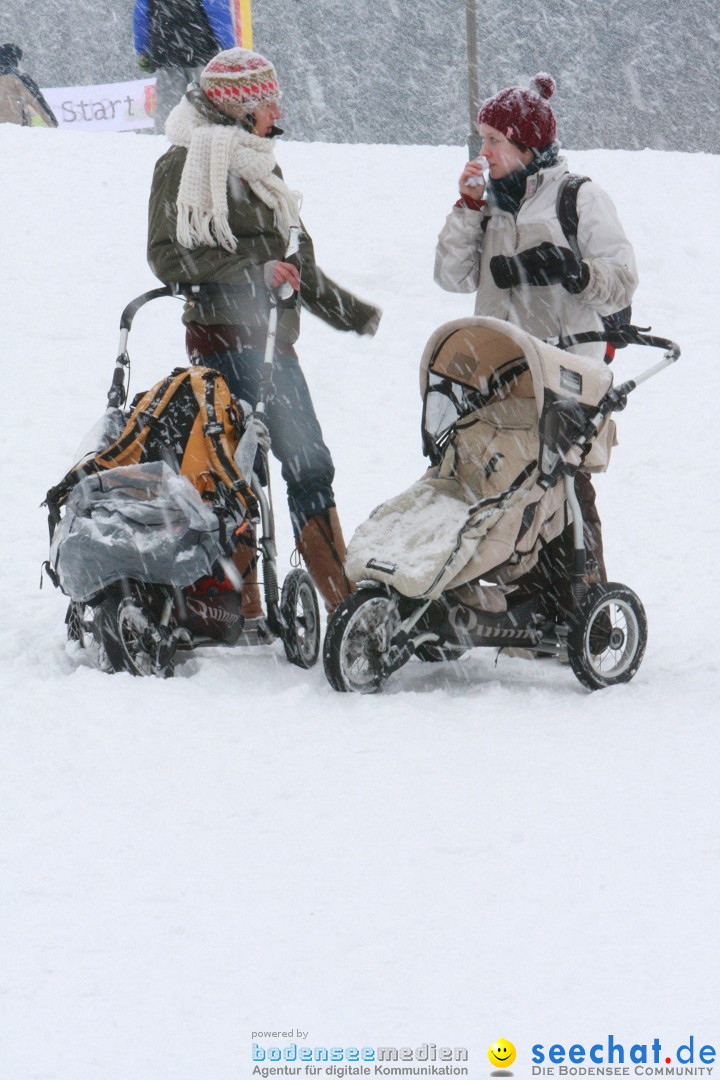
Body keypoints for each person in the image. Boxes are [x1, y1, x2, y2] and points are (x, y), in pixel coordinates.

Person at [146, 47, 382, 620]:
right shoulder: (183, 164)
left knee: (308, 463)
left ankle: (340, 602)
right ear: (242, 107)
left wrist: (356, 315)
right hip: (221, 339)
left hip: (274, 340)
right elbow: (166, 256)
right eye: (269, 99)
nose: (279, 110)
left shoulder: (259, 164)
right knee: (239, 472)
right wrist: (252, 275)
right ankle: (243, 604)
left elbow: (293, 262)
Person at [434, 73, 638, 616]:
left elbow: (622, 275)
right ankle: (530, 595)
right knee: (507, 475)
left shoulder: (578, 197)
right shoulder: (490, 206)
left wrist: (576, 273)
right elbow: (451, 277)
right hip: (502, 364)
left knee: (565, 480)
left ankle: (583, 598)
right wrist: (466, 207)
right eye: (482, 140)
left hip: (567, 365)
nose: (484, 151)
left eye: (494, 141)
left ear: (528, 146)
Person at [133, 0, 237, 133]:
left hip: (167, 52)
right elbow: (217, 11)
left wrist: (143, 50)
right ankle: (211, 140)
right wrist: (228, 47)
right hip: (201, 51)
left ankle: (165, 142)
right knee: (208, 105)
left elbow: (141, 15)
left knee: (168, 109)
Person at [0, 44, 58, 127]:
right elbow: (37, 100)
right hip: (17, 128)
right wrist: (51, 122)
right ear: (15, 58)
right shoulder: (19, 76)